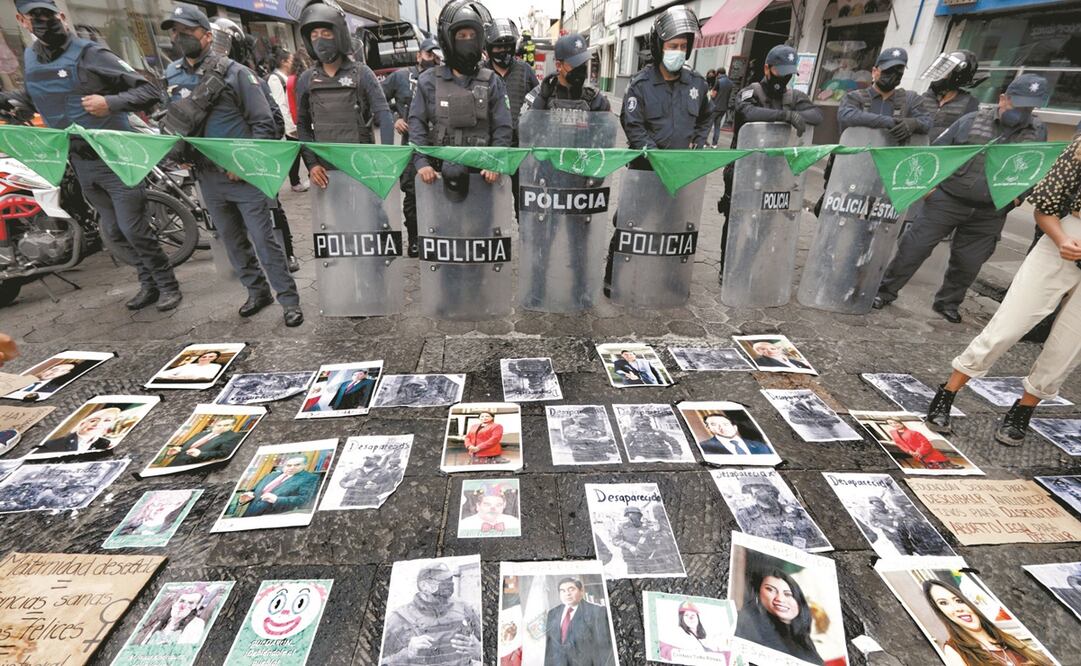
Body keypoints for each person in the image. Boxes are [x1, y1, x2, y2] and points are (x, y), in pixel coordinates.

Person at [3, 0, 181, 312]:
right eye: (35, 16)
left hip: (115, 157)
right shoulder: (31, 56)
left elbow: (149, 92)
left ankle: (168, 284)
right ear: (22, 20)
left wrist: (109, 102)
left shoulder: (90, 53)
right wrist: (15, 103)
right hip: (80, 162)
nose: (44, 22)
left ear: (61, 17)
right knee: (113, 231)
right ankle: (148, 283)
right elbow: (34, 98)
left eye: (49, 15)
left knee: (133, 229)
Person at [923, 134, 1081, 446]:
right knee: (1008, 326)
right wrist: (1062, 239)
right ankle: (948, 392)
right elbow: (1045, 207)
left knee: (1068, 346)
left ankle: (1023, 411)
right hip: (1064, 239)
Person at [161, 6, 302, 327]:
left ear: (207, 36)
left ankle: (289, 300)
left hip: (243, 176)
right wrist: (178, 151)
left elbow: (264, 123)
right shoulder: (172, 75)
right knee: (231, 240)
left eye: (186, 32)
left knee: (264, 240)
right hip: (206, 177)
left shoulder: (235, 73)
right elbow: (176, 120)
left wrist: (244, 163)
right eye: (173, 32)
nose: (179, 38)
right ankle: (257, 292)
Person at [873, 74, 1050, 323]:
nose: (1022, 112)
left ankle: (948, 303)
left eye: (1029, 107)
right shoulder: (972, 120)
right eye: (1017, 104)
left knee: (968, 263)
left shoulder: (1038, 131)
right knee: (914, 248)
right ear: (1003, 99)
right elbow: (937, 153)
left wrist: (1017, 199)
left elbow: (1035, 168)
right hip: (948, 199)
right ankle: (885, 291)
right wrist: (929, 190)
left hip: (991, 210)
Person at [717, 45, 822, 274]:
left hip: (774, 173)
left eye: (788, 73)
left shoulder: (794, 97)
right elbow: (748, 112)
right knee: (736, 219)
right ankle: (727, 269)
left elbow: (816, 115)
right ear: (767, 68)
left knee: (765, 221)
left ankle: (747, 263)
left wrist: (794, 112)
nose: (783, 77)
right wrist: (784, 116)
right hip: (743, 169)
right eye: (779, 71)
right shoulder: (750, 92)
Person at [409, 0, 512, 189]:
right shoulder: (427, 81)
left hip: (482, 180)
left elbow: (503, 127)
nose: (468, 40)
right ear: (449, 39)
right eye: (462, 35)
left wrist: (494, 162)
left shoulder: (492, 81)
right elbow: (417, 126)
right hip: (437, 179)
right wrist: (421, 163)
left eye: (473, 35)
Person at [295, 3, 394, 190]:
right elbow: (302, 124)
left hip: (362, 165)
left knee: (371, 217)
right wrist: (312, 164)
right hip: (325, 171)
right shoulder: (307, 79)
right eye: (314, 35)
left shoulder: (362, 73)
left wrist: (385, 160)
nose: (319, 40)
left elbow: (384, 115)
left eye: (326, 33)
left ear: (339, 34)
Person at [620, 6, 710, 156]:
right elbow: (633, 126)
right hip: (648, 168)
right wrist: (656, 156)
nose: (679, 51)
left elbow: (706, 116)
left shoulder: (697, 83)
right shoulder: (640, 85)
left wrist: (698, 141)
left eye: (683, 47)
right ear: (659, 47)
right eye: (673, 46)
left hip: (682, 167)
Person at [382, 37, 441, 256]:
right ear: (419, 55)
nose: (432, 60)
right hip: (412, 147)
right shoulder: (400, 76)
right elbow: (378, 99)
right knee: (412, 195)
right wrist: (394, 116)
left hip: (439, 147)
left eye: (436, 56)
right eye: (428, 55)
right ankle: (415, 239)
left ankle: (436, 236)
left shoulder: (443, 77)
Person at [923, 580, 1054, 666]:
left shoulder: (1007, 639)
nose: (957, 608)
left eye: (958, 600)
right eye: (943, 603)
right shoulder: (953, 650)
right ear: (941, 612)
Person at [379, 562, 482, 665]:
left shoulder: (464, 608)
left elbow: (490, 642)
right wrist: (407, 654)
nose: (449, 584)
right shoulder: (400, 618)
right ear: (424, 585)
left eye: (450, 580)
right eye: (443, 581)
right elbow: (379, 661)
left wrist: (479, 650)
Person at [836, 47, 930, 137]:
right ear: (874, 71)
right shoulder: (854, 97)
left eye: (898, 72)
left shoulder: (911, 99)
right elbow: (846, 116)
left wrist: (915, 124)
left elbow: (927, 122)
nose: (893, 75)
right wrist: (889, 122)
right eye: (888, 71)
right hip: (860, 152)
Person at [735, 569, 822, 665]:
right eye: (770, 590)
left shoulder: (803, 639)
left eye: (788, 594)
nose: (780, 599)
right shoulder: (745, 623)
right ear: (758, 593)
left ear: (799, 600)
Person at [523, 32, 609, 112]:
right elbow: (524, 124)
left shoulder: (594, 98)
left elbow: (610, 126)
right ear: (559, 65)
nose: (580, 68)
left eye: (583, 63)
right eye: (575, 63)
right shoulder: (540, 93)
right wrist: (541, 99)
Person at [543, 577, 615, 666]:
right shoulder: (553, 613)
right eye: (563, 591)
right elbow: (550, 646)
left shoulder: (598, 611)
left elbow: (604, 647)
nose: (567, 594)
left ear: (581, 591)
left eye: (571, 589)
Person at [266, 48, 308, 194]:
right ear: (283, 62)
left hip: (293, 121)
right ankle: (295, 182)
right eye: (290, 60)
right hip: (289, 123)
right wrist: (289, 126)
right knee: (294, 154)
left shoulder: (287, 77)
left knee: (298, 152)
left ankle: (298, 180)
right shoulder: (275, 79)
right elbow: (280, 105)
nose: (292, 62)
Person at [735, 481, 823, 549]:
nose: (757, 494)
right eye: (754, 491)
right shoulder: (745, 514)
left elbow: (817, 540)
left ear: (774, 493)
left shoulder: (796, 512)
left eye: (761, 489)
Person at [920, 50, 982, 141]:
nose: (939, 74)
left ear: (958, 75)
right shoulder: (925, 97)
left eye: (945, 71)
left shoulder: (970, 104)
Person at [237, 455, 318, 516]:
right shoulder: (271, 475)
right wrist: (243, 500)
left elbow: (305, 500)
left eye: (297, 465)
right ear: (284, 465)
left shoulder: (310, 478)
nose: (292, 468)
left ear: (305, 465)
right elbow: (253, 491)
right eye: (289, 465)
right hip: (249, 515)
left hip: (275, 518)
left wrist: (277, 499)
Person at [164, 416, 242, 466]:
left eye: (226, 425)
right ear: (213, 424)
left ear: (232, 426)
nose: (222, 427)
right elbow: (184, 445)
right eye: (219, 425)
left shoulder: (234, 437)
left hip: (197, 466)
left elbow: (224, 453)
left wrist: (201, 454)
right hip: (177, 462)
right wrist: (177, 449)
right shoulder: (201, 434)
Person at [885, 418, 961, 470]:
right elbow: (899, 444)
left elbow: (925, 443)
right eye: (891, 423)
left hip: (925, 452)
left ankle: (948, 466)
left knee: (940, 464)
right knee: (929, 466)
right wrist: (909, 451)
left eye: (896, 423)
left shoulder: (914, 432)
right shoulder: (894, 433)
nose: (894, 425)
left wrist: (919, 451)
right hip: (915, 454)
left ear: (901, 423)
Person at [36, 407, 119, 454]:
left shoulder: (104, 443)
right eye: (93, 420)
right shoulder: (53, 444)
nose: (97, 424)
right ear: (82, 424)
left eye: (107, 421)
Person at [141, 589, 206, 645]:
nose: (183, 605)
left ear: (194, 607)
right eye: (182, 601)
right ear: (174, 603)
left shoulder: (196, 624)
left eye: (190, 603)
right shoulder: (160, 622)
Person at [337, 453, 403, 506]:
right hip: (348, 501)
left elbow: (390, 485)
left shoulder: (383, 473)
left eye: (369, 458)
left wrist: (377, 487)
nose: (366, 460)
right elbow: (342, 481)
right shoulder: (356, 470)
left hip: (368, 502)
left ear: (377, 460)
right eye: (366, 458)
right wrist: (345, 484)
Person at [699, 413, 771, 456]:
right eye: (714, 424)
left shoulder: (761, 446)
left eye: (725, 424)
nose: (721, 427)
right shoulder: (703, 447)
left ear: (735, 427)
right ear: (709, 428)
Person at [156, 350, 223, 382]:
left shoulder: (215, 366)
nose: (205, 358)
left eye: (210, 357)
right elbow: (162, 374)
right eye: (204, 356)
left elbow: (206, 378)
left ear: (215, 359)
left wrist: (176, 377)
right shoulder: (189, 365)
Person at [708, 66, 732, 148]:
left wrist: (710, 94)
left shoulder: (718, 81)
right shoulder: (730, 83)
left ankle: (704, 142)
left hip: (715, 107)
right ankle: (714, 144)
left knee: (708, 125)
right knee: (717, 126)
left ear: (718, 74)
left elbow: (713, 95)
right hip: (723, 108)